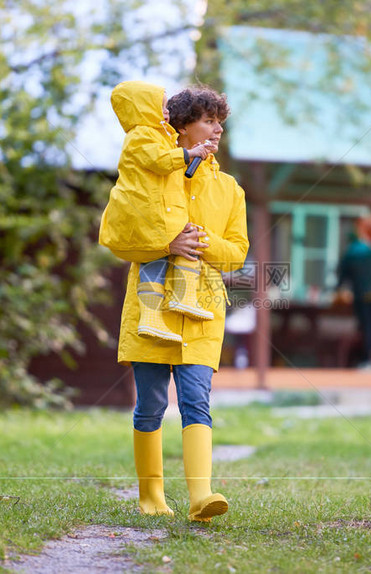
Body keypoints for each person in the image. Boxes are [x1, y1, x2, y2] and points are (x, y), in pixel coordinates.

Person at [101, 85, 249, 522]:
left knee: (196, 400)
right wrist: (167, 244)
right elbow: (115, 238)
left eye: (219, 120)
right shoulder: (147, 174)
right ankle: (151, 499)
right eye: (208, 119)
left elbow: (238, 252)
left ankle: (201, 498)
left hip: (201, 308)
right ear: (180, 126)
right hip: (151, 310)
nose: (217, 128)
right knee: (150, 404)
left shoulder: (229, 189)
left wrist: (199, 244)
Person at [100, 81, 217, 344]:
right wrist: (189, 152)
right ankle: (158, 312)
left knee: (175, 249)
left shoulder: (160, 136)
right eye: (160, 106)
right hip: (147, 213)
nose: (166, 112)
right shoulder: (141, 135)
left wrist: (200, 156)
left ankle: (180, 299)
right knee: (163, 255)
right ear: (142, 108)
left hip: (159, 211)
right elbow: (161, 161)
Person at [336, 223, 371, 368]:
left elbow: (341, 277)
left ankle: (368, 359)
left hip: (362, 296)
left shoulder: (349, 255)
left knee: (366, 327)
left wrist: (336, 291)